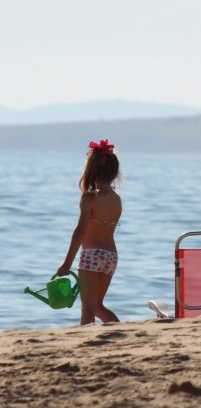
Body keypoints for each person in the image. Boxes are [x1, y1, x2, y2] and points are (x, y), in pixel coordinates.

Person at [56, 139, 122, 325]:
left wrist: (67, 263)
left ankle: (85, 342)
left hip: (92, 255)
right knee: (98, 306)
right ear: (115, 173)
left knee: (88, 308)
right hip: (111, 256)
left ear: (90, 171)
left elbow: (80, 231)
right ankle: (119, 331)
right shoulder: (117, 200)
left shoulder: (89, 198)